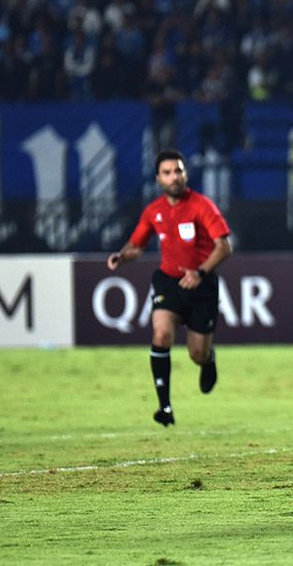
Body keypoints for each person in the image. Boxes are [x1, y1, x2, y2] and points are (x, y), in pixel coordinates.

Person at [107, 149, 233, 427]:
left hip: (202, 285)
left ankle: (208, 360)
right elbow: (137, 246)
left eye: (178, 171)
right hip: (168, 281)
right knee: (161, 333)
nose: (174, 177)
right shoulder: (154, 211)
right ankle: (165, 407)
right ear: (158, 179)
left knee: (196, 353)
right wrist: (122, 256)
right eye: (167, 173)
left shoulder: (202, 206)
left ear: (185, 174)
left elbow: (224, 246)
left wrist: (200, 273)